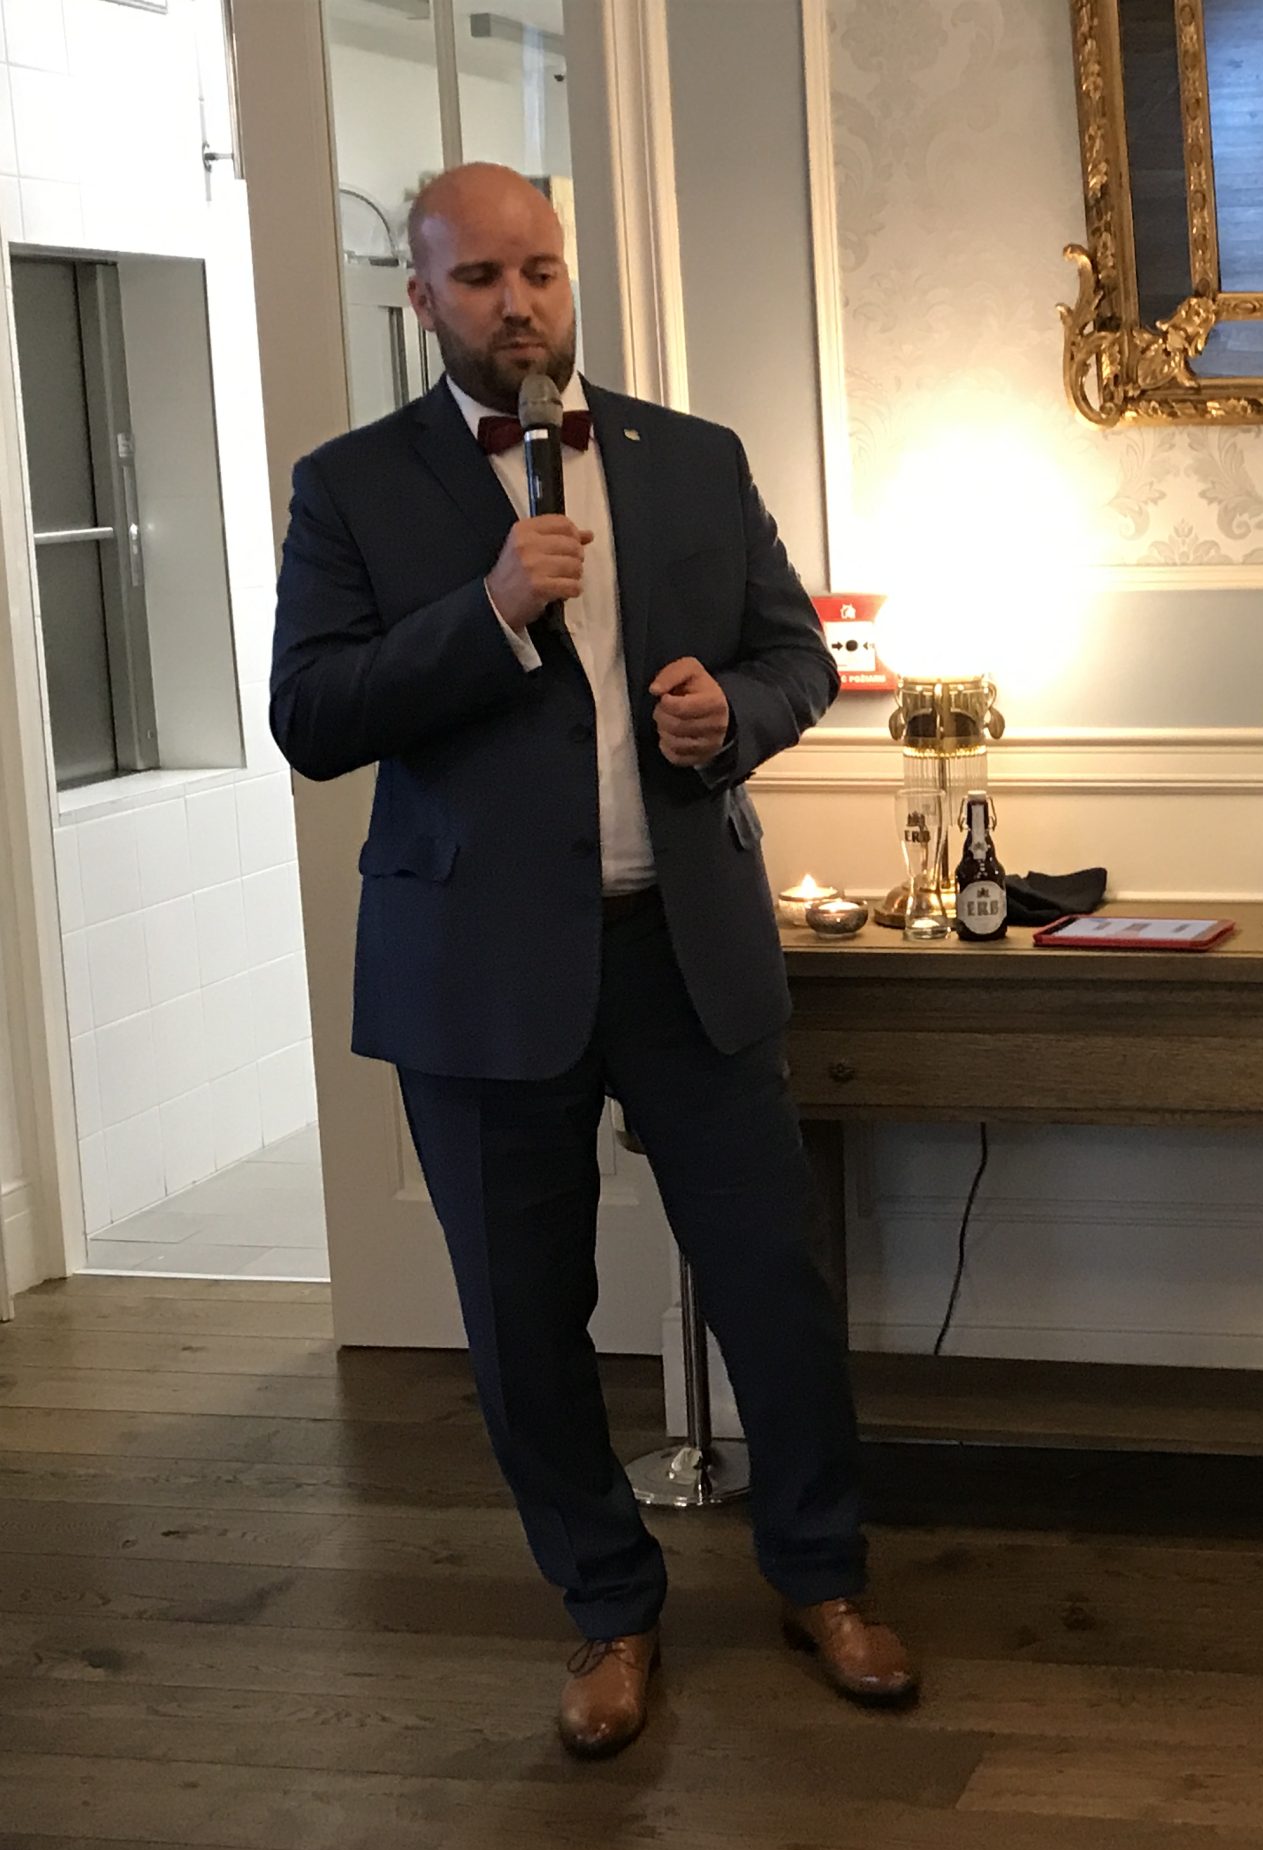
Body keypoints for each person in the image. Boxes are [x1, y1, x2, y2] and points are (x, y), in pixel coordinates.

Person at [270, 163, 916, 1759]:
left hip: (684, 950)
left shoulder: (691, 458)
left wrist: (734, 716)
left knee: (773, 1283)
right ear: (422, 298)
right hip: (479, 973)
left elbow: (797, 658)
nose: (520, 304)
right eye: (480, 278)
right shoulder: (351, 487)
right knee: (525, 1317)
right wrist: (486, 614)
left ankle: (823, 1577)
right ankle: (609, 1605)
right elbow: (313, 716)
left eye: (540, 271)